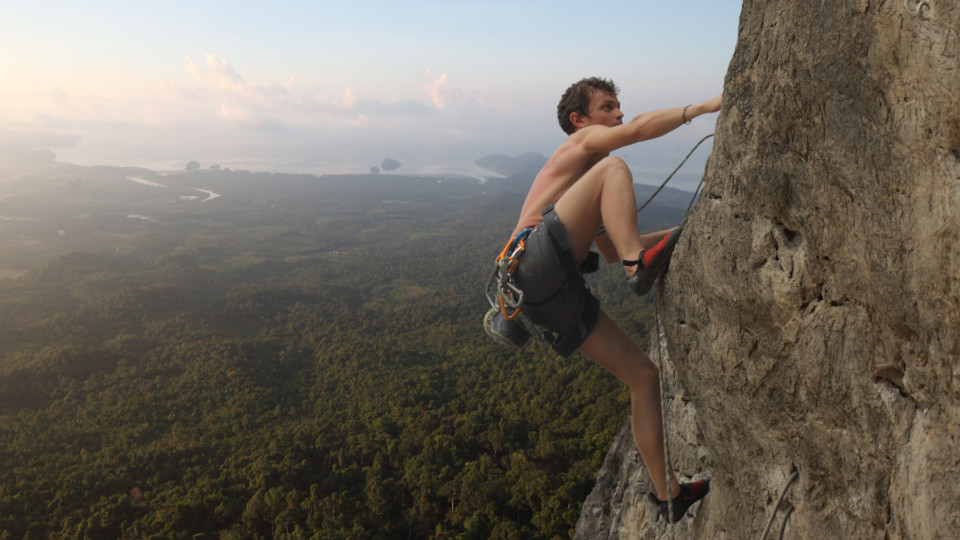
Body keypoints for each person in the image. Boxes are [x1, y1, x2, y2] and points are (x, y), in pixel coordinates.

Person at [505, 77, 721, 522]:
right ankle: (638, 266)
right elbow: (639, 130)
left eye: (620, 107)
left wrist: (693, 226)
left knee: (644, 376)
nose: (619, 114)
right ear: (579, 120)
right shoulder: (582, 147)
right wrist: (702, 107)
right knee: (616, 166)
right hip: (532, 262)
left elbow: (613, 247)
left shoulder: (585, 191)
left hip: (544, 292)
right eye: (608, 107)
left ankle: (668, 495)